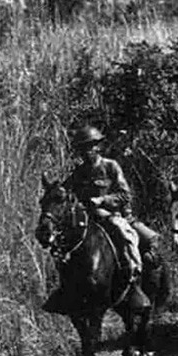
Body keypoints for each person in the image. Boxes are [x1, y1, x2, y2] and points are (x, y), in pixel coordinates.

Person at [43, 126, 150, 314]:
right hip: (86, 219)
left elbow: (125, 194)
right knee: (63, 244)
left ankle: (134, 283)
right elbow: (65, 192)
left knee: (127, 237)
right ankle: (64, 289)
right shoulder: (78, 173)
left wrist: (102, 200)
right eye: (83, 148)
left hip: (112, 216)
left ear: (98, 147)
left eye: (90, 147)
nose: (86, 152)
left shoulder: (110, 166)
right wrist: (54, 190)